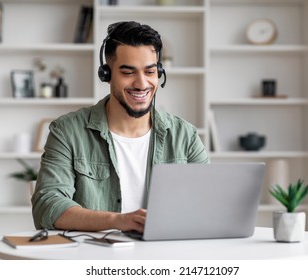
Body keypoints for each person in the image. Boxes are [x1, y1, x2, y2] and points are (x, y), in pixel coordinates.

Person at [32, 21, 209, 233]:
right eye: (128, 72)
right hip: (96, 257)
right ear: (106, 75)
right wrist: (118, 221)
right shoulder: (68, 131)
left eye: (150, 72)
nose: (142, 84)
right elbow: (48, 205)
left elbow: (209, 204)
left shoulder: (185, 135)